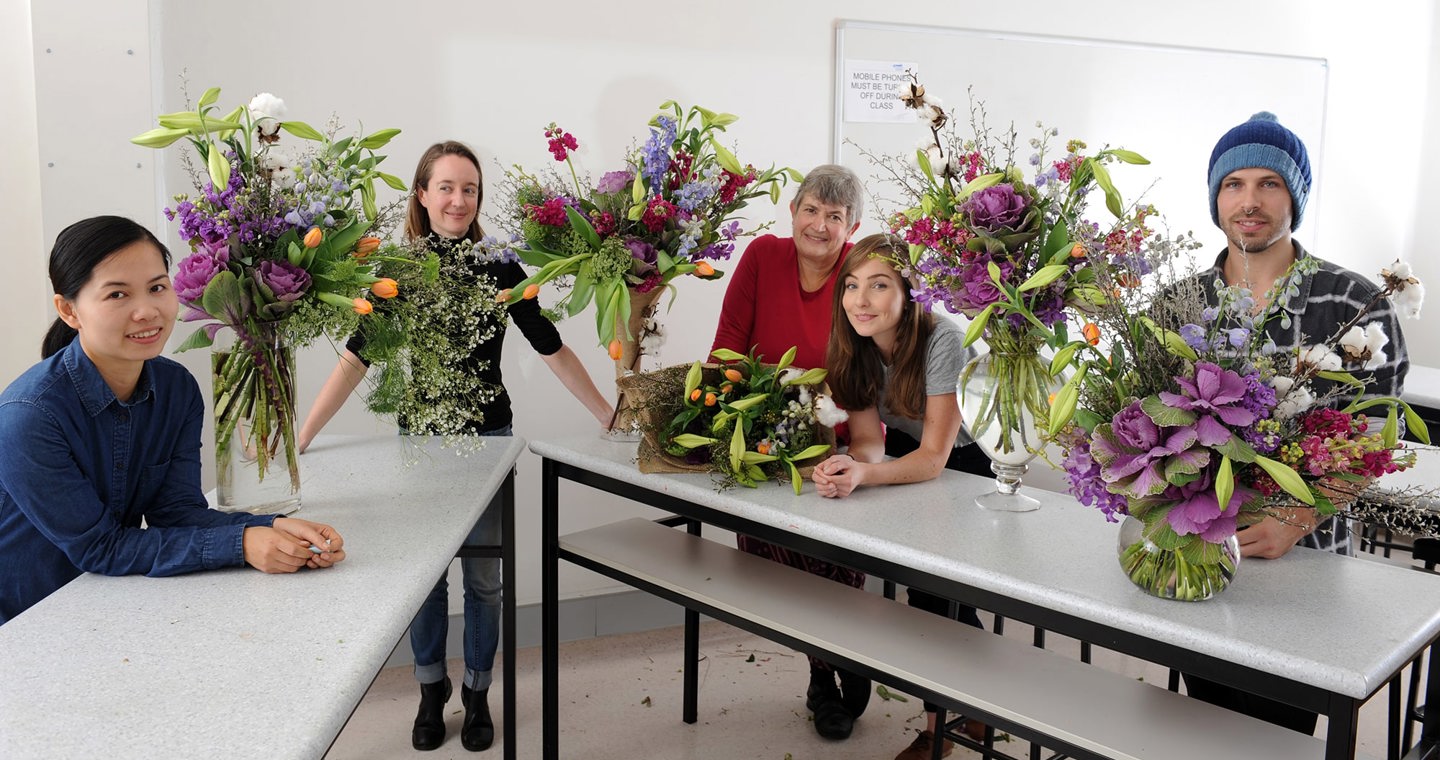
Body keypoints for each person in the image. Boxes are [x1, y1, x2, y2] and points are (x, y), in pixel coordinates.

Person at [297, 140, 614, 753]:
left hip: (488, 440)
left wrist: (606, 411)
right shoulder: (398, 269)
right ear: (421, 193)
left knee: (485, 581)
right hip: (419, 444)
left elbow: (549, 344)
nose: (458, 199)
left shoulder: (499, 265)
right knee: (425, 579)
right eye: (445, 187)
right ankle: (428, 688)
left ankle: (478, 692)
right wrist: (303, 436)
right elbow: (356, 359)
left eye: (469, 189)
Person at [0, 215, 346, 626]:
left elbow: (178, 512)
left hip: (112, 602)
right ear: (68, 310)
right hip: (28, 624)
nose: (146, 311)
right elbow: (100, 548)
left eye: (157, 288)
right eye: (117, 295)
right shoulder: (28, 416)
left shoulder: (176, 388)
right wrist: (242, 544)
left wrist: (276, 528)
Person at [1182, 112, 1408, 734]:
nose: (1249, 201)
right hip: (1200, 552)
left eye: (1268, 184)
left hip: (1306, 560)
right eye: (1233, 184)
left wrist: (1297, 517)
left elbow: (1375, 438)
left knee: (1276, 734)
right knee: (1196, 727)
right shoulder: (1178, 302)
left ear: (1295, 197)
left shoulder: (1354, 303)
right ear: (1215, 198)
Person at [709, 164, 875, 741]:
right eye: (812, 210)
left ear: (851, 226)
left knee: (834, 561)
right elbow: (727, 348)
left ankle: (824, 675)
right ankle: (833, 662)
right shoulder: (760, 257)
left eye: (836, 216)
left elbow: (867, 370)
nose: (821, 225)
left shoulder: (860, 275)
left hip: (841, 440)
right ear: (793, 211)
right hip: (761, 434)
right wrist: (749, 414)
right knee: (773, 558)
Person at [810, 234, 991, 760]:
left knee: (934, 593)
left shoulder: (942, 341)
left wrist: (866, 477)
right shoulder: (854, 345)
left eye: (879, 285)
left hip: (971, 464)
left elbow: (937, 458)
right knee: (922, 589)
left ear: (910, 292)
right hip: (913, 454)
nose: (860, 300)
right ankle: (972, 711)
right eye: (851, 286)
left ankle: (944, 729)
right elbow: (870, 441)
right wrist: (850, 467)